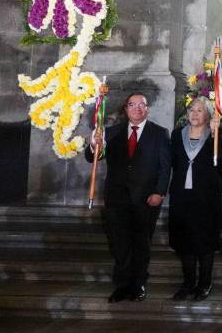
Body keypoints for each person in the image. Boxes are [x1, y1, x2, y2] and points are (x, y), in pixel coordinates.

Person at [85, 92, 171, 303]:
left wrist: (159, 192)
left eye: (141, 105)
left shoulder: (159, 133)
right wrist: (94, 145)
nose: (137, 109)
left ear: (147, 108)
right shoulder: (111, 133)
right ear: (126, 109)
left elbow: (165, 166)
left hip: (146, 199)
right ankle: (122, 285)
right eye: (132, 105)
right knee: (119, 243)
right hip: (117, 199)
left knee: (141, 243)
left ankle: (139, 283)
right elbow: (92, 158)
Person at [168, 97, 222, 301]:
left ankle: (204, 284)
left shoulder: (218, 135)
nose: (194, 114)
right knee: (184, 241)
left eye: (200, 110)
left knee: (205, 241)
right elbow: (173, 164)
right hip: (181, 197)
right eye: (192, 110)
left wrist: (214, 135)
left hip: (206, 198)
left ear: (209, 114)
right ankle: (187, 283)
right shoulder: (177, 135)